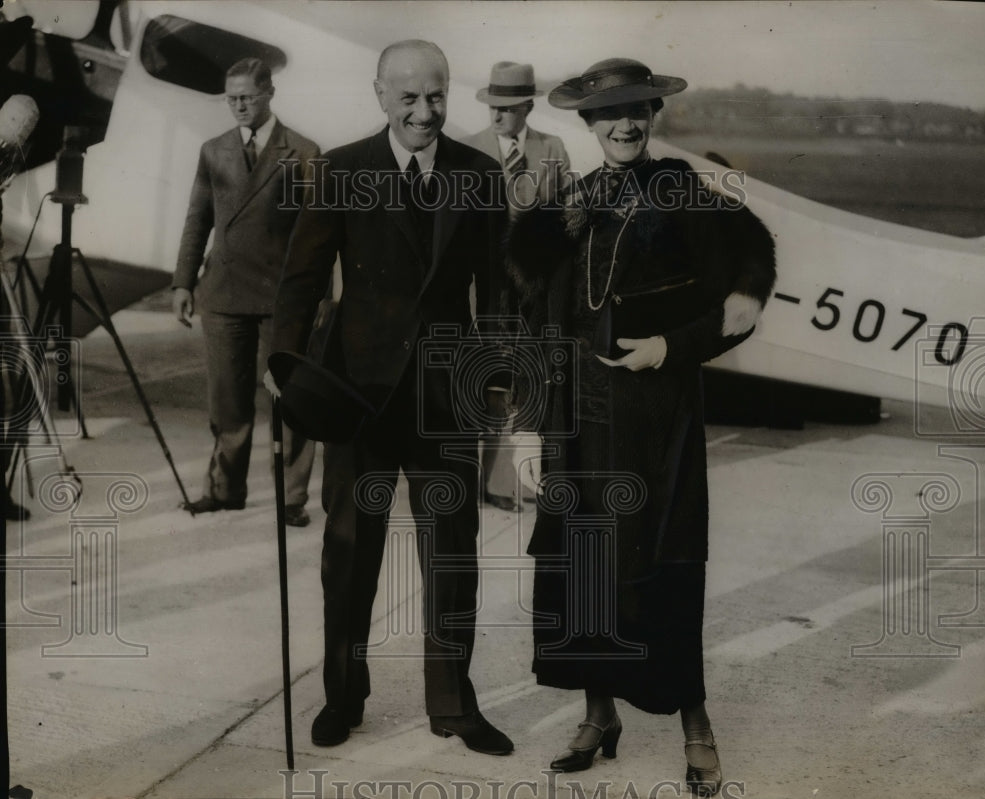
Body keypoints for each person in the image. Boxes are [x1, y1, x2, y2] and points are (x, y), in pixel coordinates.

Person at [506, 58, 776, 794]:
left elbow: (743, 292)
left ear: (654, 116)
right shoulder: (569, 204)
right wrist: (527, 425)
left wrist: (669, 347)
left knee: (660, 571)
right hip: (576, 422)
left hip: (657, 423)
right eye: (609, 114)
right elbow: (536, 321)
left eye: (638, 110)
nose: (625, 124)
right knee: (584, 569)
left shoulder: (683, 196)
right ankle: (599, 715)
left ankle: (696, 727)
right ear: (589, 124)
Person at [269, 40, 512, 755]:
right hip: (358, 396)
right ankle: (343, 696)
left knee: (453, 556)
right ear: (380, 95)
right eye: (408, 97)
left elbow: (499, 291)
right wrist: (283, 362)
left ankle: (454, 704)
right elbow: (302, 277)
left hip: (445, 398)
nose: (424, 112)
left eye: (436, 96)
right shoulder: (340, 170)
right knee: (349, 554)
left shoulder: (479, 175)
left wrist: (497, 375)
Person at [172, 57, 317, 526]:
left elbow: (318, 232)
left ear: (269, 93)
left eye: (247, 97)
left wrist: (318, 296)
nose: (237, 105)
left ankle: (291, 498)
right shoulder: (213, 150)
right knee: (227, 400)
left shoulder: (303, 151)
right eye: (230, 98)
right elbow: (197, 221)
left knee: (290, 399)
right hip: (223, 294)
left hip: (282, 296)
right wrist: (182, 282)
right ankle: (224, 489)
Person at [465, 61, 570, 513]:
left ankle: (504, 483)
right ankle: (465, 481)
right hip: (481, 290)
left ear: (527, 106)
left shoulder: (552, 149)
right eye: (493, 106)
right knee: (477, 382)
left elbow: (564, 221)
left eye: (507, 108)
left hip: (531, 292)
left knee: (522, 383)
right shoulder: (468, 150)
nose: (497, 115)